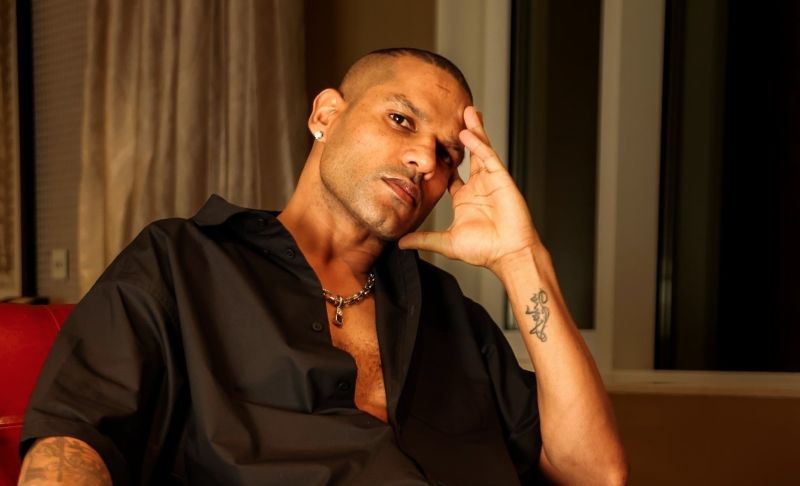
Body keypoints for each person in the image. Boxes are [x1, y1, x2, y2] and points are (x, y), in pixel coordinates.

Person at [18, 48, 627, 485]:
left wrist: (521, 259)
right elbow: (73, 441)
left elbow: (596, 472)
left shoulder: (452, 317)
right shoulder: (181, 262)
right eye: (401, 120)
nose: (424, 159)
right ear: (326, 115)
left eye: (447, 154)